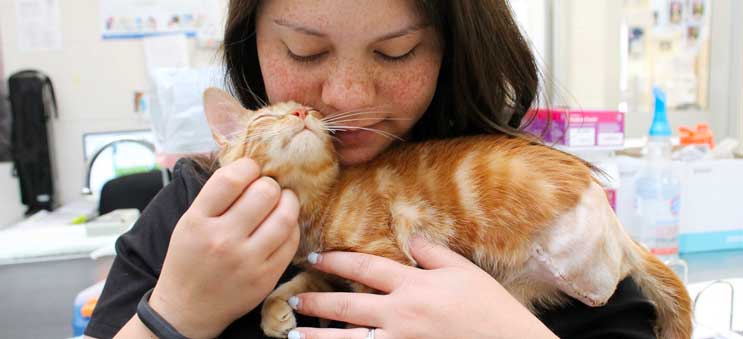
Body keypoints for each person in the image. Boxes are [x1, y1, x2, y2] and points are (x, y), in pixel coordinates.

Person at [85, 1, 658, 338]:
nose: (345, 96)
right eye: (304, 52)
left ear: (452, 45)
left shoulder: (505, 186)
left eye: (396, 52)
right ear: (251, 41)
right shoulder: (196, 211)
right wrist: (175, 313)